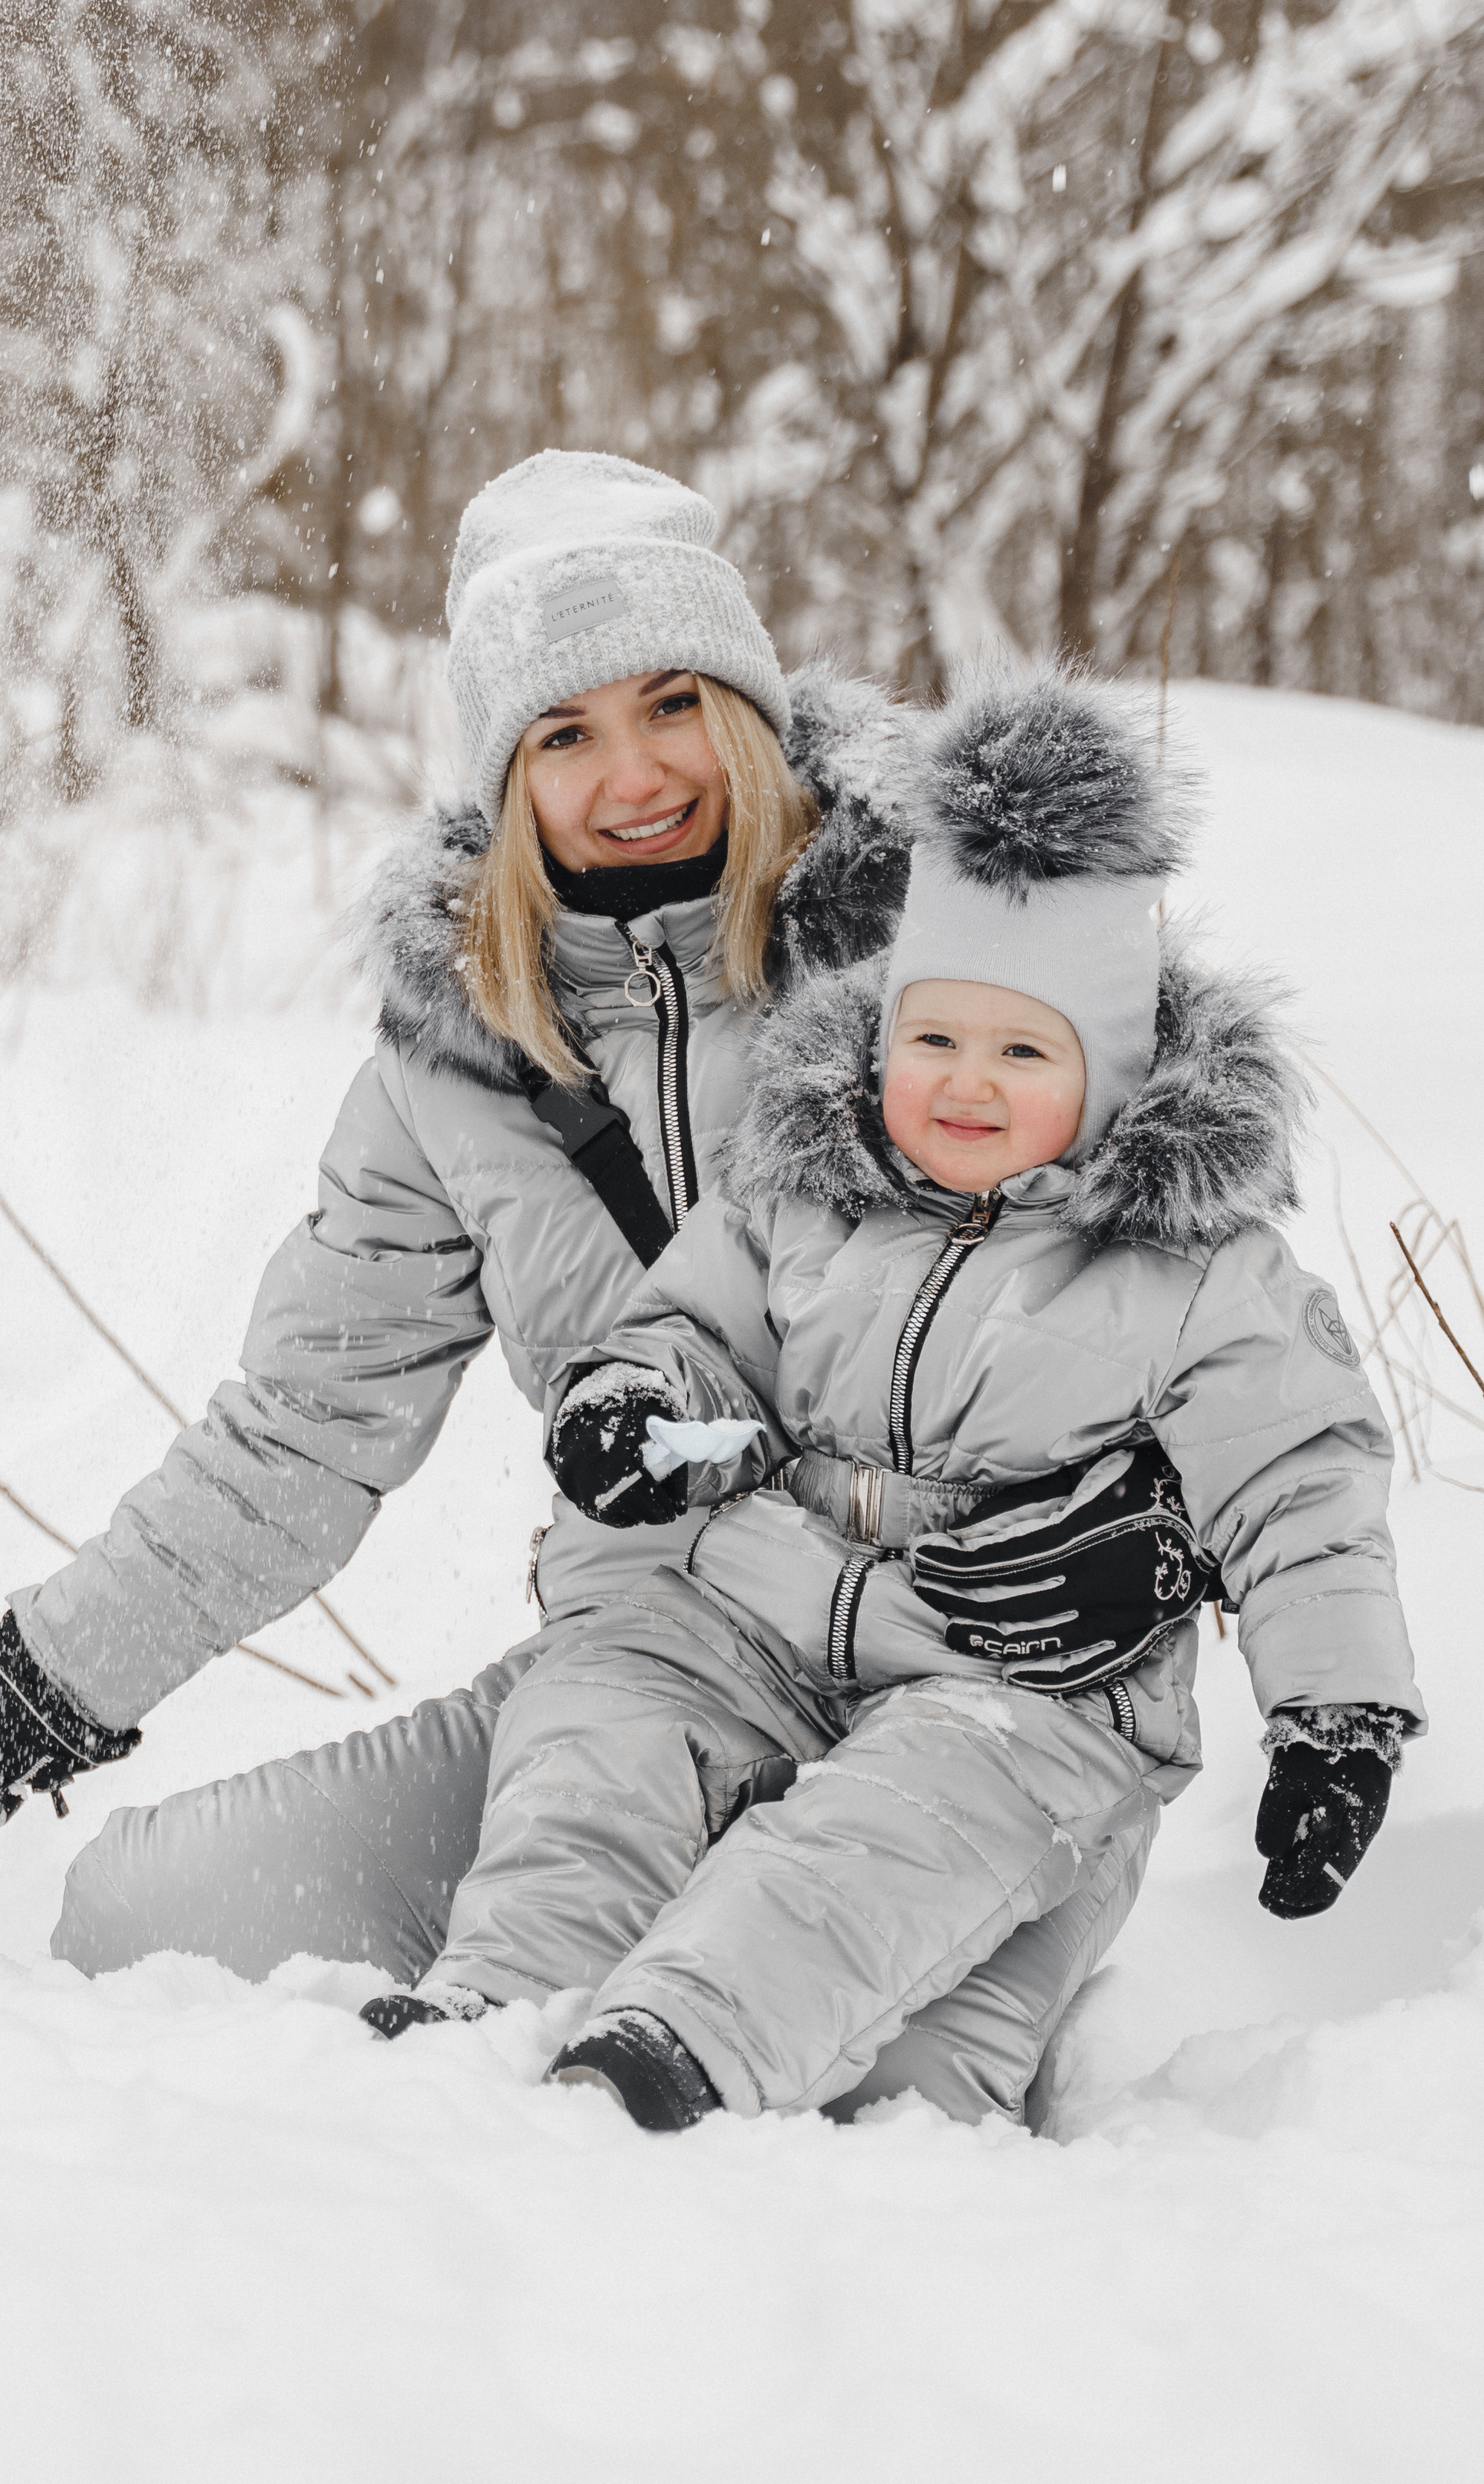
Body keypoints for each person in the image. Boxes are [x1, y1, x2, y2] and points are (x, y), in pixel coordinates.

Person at [0, 459, 1193, 2126]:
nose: (631, 773)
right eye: (561, 733)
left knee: (863, 2112)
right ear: (502, 771)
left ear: (743, 704)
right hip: (657, 1678)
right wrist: (25, 1701)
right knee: (149, 1919)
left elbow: (1205, 1308)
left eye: (671, 702)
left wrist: (1165, 1527)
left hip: (986, 1686)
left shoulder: (954, 950)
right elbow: (303, 1431)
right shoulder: (461, 1056)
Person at [361, 667, 1423, 2131]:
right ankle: (495, 2001)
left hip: (1020, 1689)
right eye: (931, 1039)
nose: (963, 1085)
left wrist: (1332, 1715)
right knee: (599, 1729)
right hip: (768, 1625)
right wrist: (624, 1404)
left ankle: (675, 2048)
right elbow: (693, 1330)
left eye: (1020, 1052)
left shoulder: (1195, 1268)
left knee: (878, 1840)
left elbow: (1301, 1484)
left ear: (1108, 1076)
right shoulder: (807, 1191)